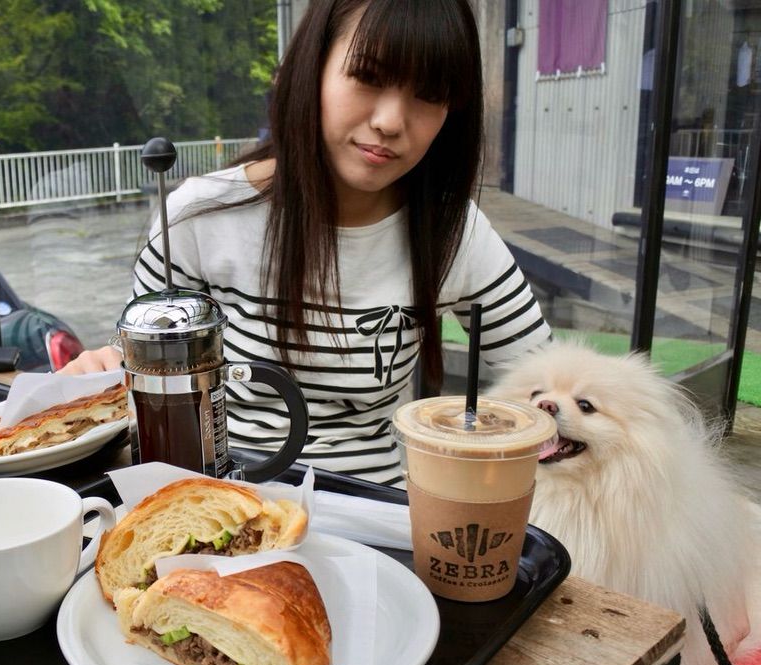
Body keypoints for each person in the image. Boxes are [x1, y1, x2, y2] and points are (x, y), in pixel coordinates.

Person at [61, 0, 551, 486]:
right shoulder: (198, 218)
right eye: (369, 76)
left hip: (379, 517)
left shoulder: (452, 231)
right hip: (214, 501)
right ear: (311, 69)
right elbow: (142, 387)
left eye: (429, 95)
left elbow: (546, 386)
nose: (391, 120)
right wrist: (106, 370)